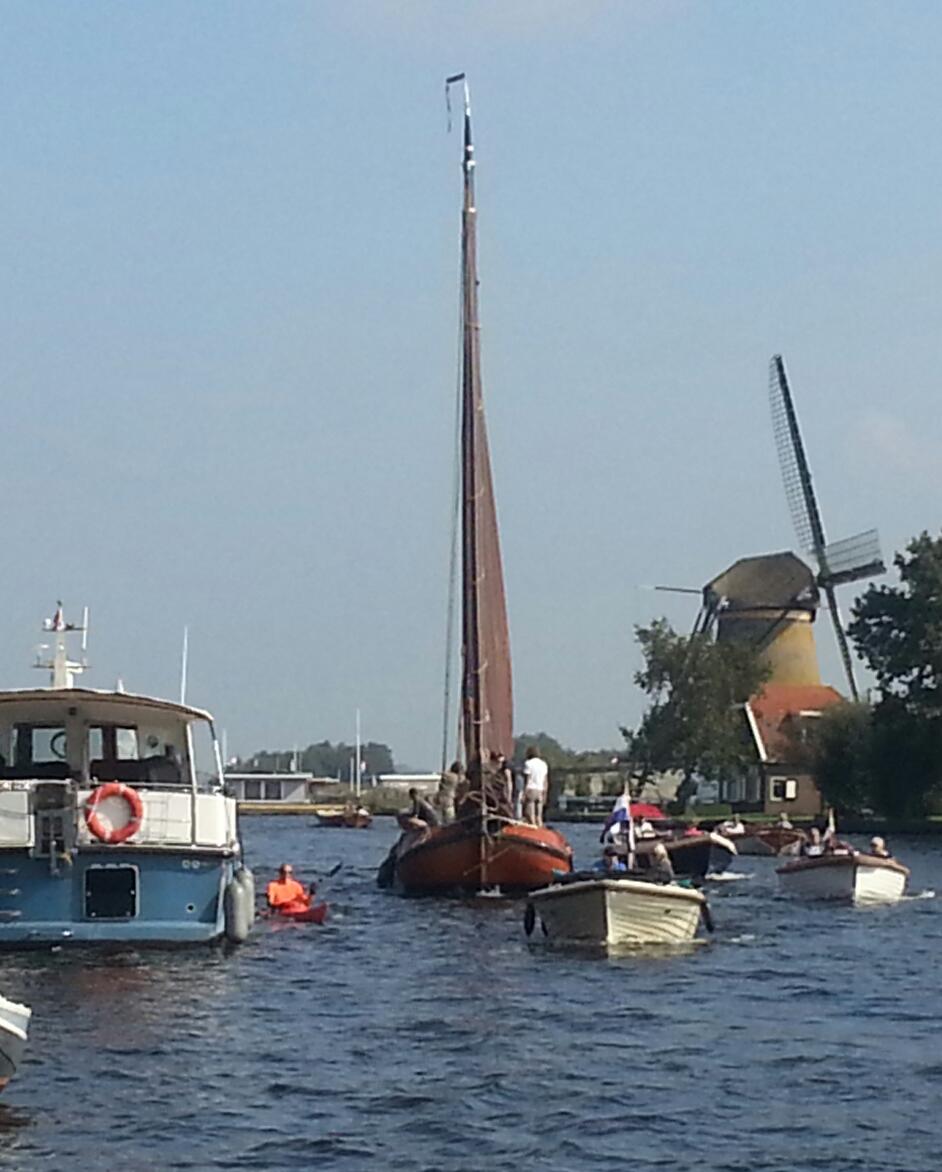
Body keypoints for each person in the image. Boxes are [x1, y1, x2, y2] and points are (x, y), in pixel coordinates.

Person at [521, 747, 549, 827]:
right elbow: (545, 780)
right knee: (539, 816)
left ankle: (533, 829)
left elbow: (527, 779)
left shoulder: (528, 763)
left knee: (530, 814)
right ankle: (541, 830)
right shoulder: (544, 764)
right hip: (540, 790)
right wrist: (545, 793)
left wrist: (524, 793)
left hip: (531, 789)